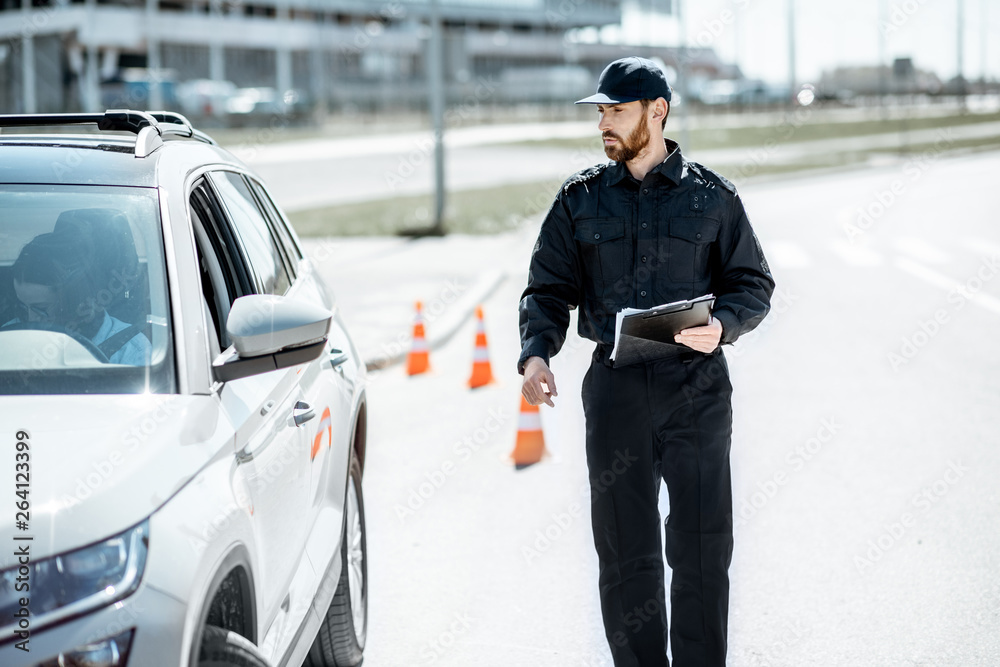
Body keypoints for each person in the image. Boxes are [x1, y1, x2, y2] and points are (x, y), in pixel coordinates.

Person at [518, 57, 775, 666]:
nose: (604, 122)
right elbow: (547, 287)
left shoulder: (713, 197)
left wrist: (724, 326)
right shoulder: (579, 200)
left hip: (697, 391)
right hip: (616, 395)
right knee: (624, 552)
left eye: (616, 110)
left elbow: (752, 283)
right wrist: (536, 354)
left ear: (656, 112)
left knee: (702, 549)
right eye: (601, 111)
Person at [6, 227, 150, 366]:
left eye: (41, 308)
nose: (30, 318)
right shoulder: (10, 336)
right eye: (23, 306)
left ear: (74, 302)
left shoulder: (130, 350)